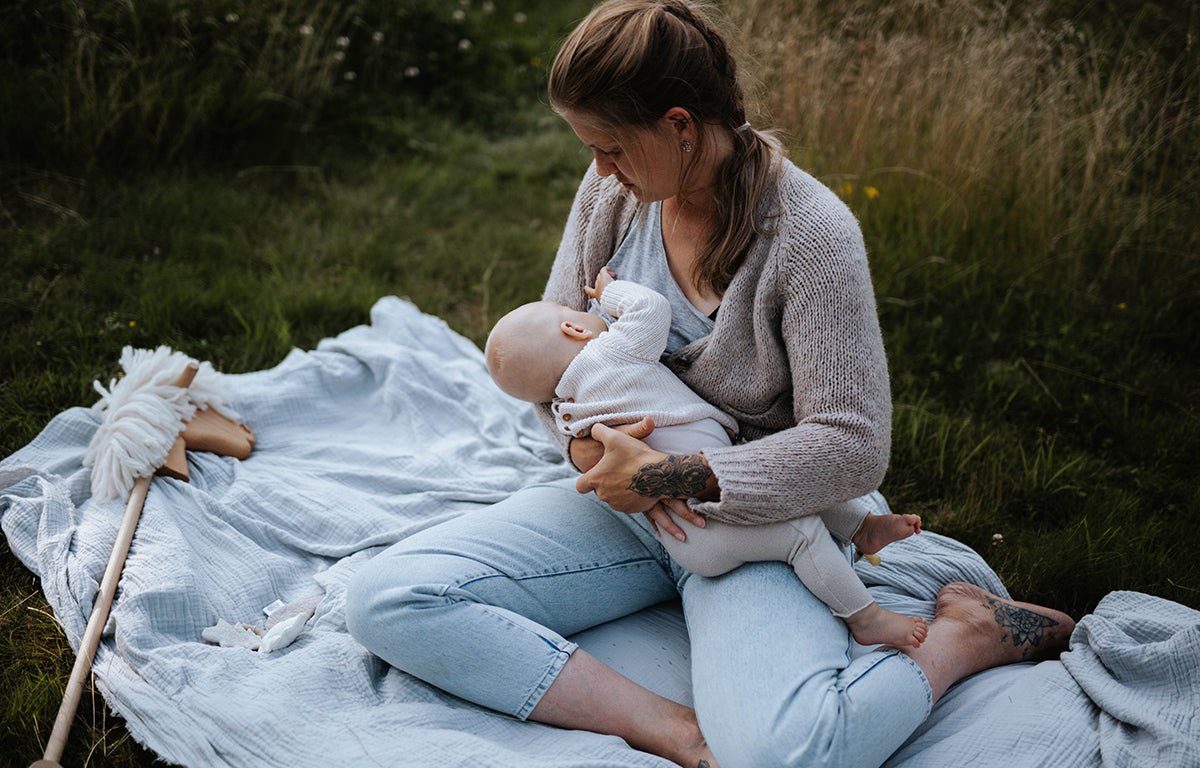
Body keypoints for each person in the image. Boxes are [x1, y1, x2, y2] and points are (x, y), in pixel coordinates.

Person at [345, 2, 1075, 766]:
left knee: (787, 755)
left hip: (767, 524)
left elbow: (853, 447)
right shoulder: (612, 197)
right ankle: (671, 728)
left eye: (612, 146)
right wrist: (594, 461)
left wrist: (668, 474)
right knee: (390, 596)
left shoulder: (810, 236)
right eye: (590, 147)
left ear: (680, 125)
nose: (598, 168)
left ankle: (968, 636)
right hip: (630, 509)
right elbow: (554, 359)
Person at [485, 267, 928, 647]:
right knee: (801, 533)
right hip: (704, 526)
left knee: (780, 478)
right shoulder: (609, 352)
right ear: (576, 329)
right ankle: (864, 617)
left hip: (691, 528)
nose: (590, 312)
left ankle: (861, 528)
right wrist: (609, 294)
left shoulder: (571, 408)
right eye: (578, 312)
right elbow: (651, 310)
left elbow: (588, 452)